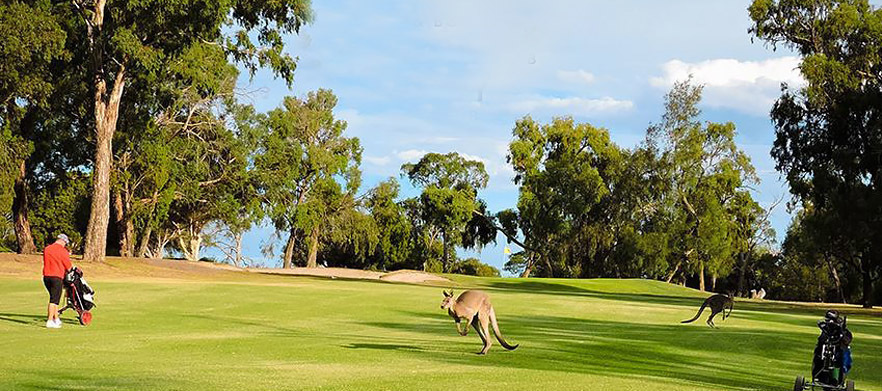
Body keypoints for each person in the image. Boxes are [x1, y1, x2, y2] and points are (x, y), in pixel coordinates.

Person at [812, 309, 853, 384]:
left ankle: (838, 380)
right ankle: (819, 378)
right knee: (818, 358)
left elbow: (847, 340)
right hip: (824, 351)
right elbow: (821, 341)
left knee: (844, 358)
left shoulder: (842, 330)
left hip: (838, 351)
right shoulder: (825, 330)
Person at [43, 234, 72, 329]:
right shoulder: (63, 251)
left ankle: (56, 318)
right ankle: (50, 321)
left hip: (46, 276)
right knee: (54, 300)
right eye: (65, 243)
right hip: (56, 277)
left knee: (54, 298)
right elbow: (68, 266)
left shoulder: (47, 249)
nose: (65, 245)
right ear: (62, 241)